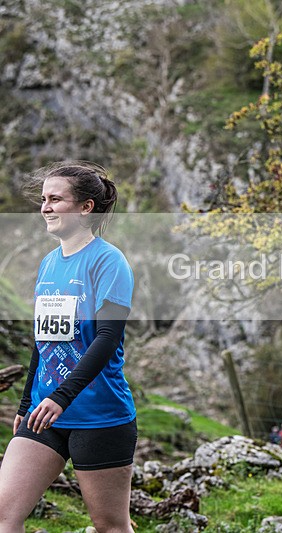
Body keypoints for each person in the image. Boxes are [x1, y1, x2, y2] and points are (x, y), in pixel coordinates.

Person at [0, 161, 136, 532]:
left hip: (99, 416)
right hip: (44, 414)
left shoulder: (109, 261)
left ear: (85, 207)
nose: (45, 207)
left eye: (56, 199)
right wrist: (27, 402)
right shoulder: (48, 264)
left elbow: (107, 338)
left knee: (110, 525)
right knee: (4, 514)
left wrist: (62, 397)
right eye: (44, 199)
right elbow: (44, 340)